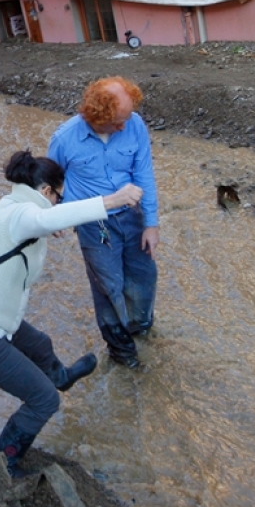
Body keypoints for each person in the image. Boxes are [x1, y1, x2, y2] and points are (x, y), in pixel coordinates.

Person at [0, 150, 142, 477]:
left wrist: (46, 224)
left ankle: (60, 376)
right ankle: (5, 462)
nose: (58, 203)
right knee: (43, 401)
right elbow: (40, 218)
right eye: (58, 197)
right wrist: (112, 200)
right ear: (45, 192)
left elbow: (37, 222)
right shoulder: (23, 215)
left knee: (39, 343)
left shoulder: (7, 206)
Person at [48, 76, 159, 369]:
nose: (124, 126)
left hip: (133, 217)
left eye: (126, 118)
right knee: (109, 289)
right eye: (117, 122)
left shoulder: (134, 123)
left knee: (143, 278)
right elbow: (50, 183)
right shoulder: (64, 138)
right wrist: (54, 214)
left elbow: (144, 173)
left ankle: (141, 329)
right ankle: (123, 355)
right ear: (96, 116)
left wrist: (152, 224)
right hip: (93, 225)